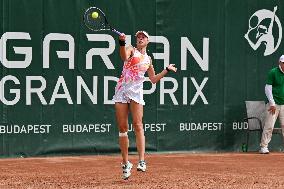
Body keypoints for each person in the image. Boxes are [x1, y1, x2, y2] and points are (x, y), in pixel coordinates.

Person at [112, 31, 177, 179]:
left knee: (138, 124)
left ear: (148, 41)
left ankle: (141, 161)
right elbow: (123, 56)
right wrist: (121, 42)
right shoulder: (130, 49)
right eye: (138, 37)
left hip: (136, 92)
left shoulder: (148, 59)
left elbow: (153, 79)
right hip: (122, 90)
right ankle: (125, 163)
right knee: (123, 127)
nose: (140, 38)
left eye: (143, 37)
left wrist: (166, 70)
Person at [260, 55, 284, 154]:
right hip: (273, 104)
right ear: (280, 63)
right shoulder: (273, 72)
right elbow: (268, 88)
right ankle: (263, 147)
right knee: (269, 125)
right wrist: (272, 103)